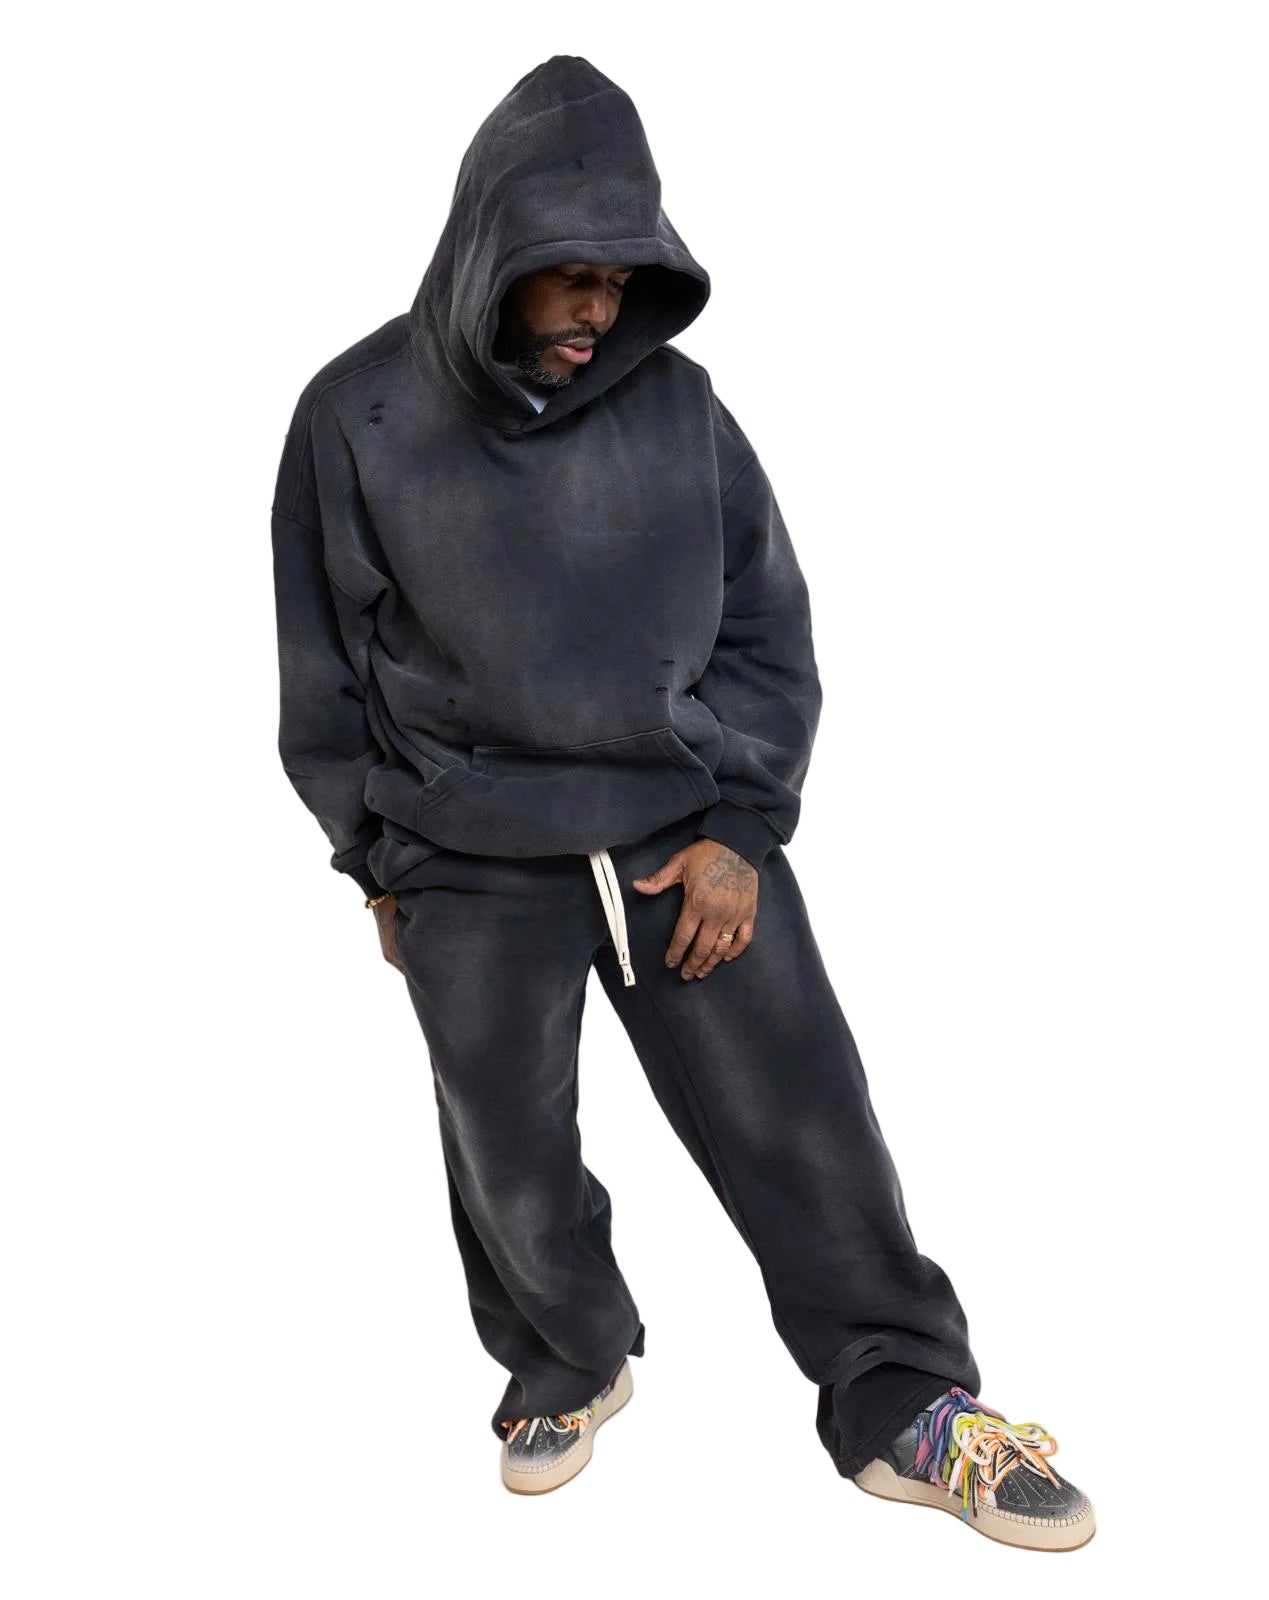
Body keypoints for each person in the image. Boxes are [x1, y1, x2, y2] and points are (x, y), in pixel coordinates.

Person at [269, 54, 1095, 1550]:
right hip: (465, 850)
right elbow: (321, 660)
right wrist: (374, 860)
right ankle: (567, 1360)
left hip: (681, 841)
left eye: (619, 277)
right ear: (489, 252)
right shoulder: (355, 413)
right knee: (506, 1153)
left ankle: (905, 1400)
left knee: (806, 1124)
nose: (595, 307)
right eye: (566, 274)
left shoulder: (682, 410)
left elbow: (768, 631)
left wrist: (742, 831)